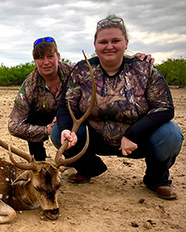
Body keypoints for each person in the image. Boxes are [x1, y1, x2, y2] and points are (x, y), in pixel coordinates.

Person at [50, 16, 184, 200]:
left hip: (136, 140)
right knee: (58, 132)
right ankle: (90, 169)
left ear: (126, 43)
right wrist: (66, 128)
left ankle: (157, 180)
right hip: (94, 138)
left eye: (116, 41)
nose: (109, 46)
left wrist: (133, 134)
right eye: (103, 42)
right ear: (95, 45)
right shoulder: (81, 70)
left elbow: (165, 108)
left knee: (171, 134)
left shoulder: (146, 70)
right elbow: (67, 106)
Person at [8, 36, 154, 161]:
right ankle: (38, 163)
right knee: (35, 120)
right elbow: (13, 126)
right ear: (35, 61)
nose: (46, 62)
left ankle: (85, 166)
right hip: (47, 123)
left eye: (50, 56)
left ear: (58, 57)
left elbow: (102, 64)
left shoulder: (76, 71)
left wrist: (133, 58)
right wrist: (45, 130)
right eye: (40, 58)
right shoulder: (29, 86)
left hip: (70, 117)